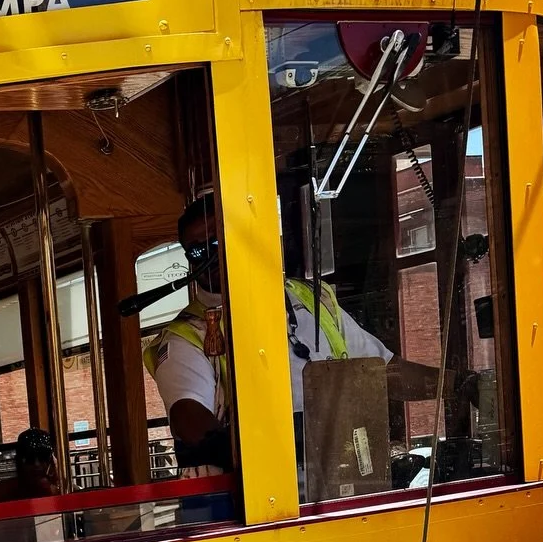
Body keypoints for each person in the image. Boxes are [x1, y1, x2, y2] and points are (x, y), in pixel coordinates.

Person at [146, 194, 451, 503]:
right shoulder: (188, 335)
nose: (208, 258)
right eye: (197, 250)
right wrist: (285, 447)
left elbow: (386, 371)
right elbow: (190, 418)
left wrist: (457, 386)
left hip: (345, 492)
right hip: (254, 506)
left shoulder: (314, 301)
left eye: (217, 241)